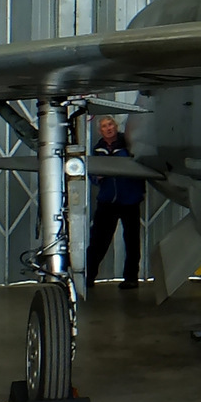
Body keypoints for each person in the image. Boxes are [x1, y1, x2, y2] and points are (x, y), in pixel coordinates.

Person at [86, 115, 146, 290]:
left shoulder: (128, 145)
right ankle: (88, 278)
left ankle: (131, 279)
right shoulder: (98, 150)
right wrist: (97, 177)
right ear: (100, 131)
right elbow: (91, 174)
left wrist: (139, 190)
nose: (108, 128)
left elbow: (141, 165)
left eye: (110, 124)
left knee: (132, 242)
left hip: (130, 200)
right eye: (104, 126)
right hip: (107, 201)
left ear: (116, 126)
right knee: (98, 241)